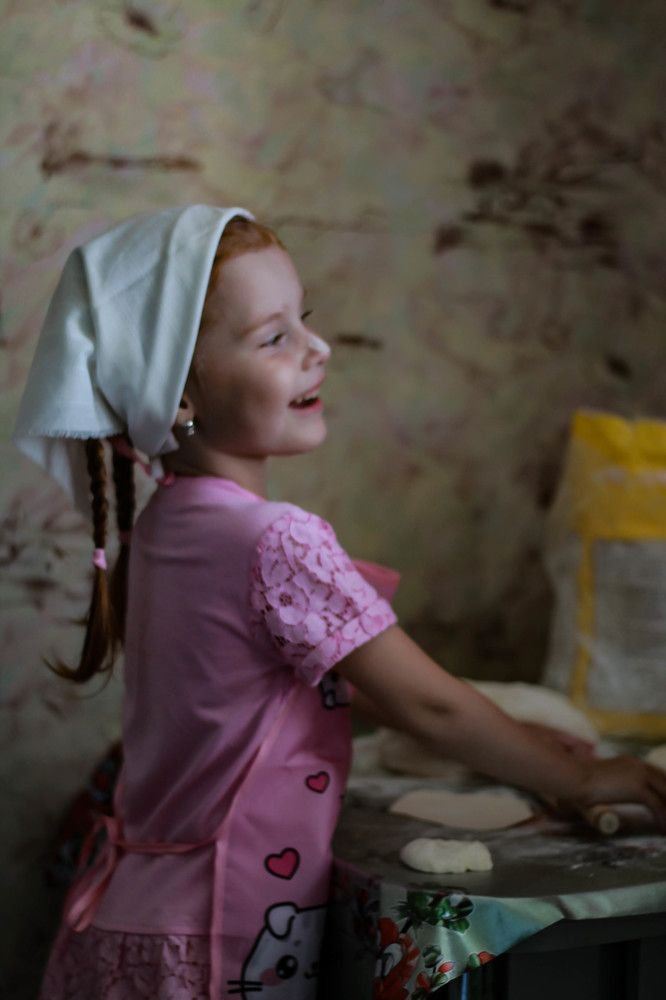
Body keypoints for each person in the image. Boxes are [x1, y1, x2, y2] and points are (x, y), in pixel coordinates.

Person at [14, 205, 666, 1000]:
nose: (317, 348)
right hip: (218, 945)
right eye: (274, 337)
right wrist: (578, 780)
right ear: (179, 392)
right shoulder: (272, 539)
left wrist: (524, 746)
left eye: (306, 320)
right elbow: (428, 703)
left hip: (133, 925)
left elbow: (312, 688)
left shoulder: (163, 526)